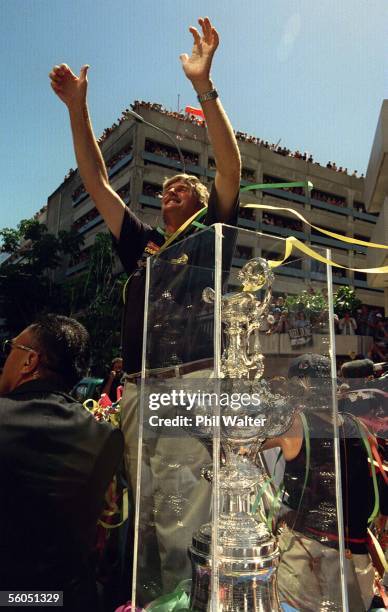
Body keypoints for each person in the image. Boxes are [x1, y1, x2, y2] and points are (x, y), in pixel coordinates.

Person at [50, 16, 241, 600]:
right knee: (142, 506)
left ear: (203, 203)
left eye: (181, 189)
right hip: (136, 388)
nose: (168, 194)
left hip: (189, 383)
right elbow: (98, 180)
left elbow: (229, 167)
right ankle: (143, 594)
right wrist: (77, 110)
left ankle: (182, 599)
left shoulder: (213, 237)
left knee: (183, 516)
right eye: (164, 191)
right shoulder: (144, 247)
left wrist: (204, 86)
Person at [0, 315, 124, 612]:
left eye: (10, 349)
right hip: (71, 598)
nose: (5, 360)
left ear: (30, 361)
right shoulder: (105, 437)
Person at [260, 354, 375, 611]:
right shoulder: (360, 428)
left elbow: (241, 443)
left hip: (308, 561)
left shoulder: (294, 425)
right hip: (357, 562)